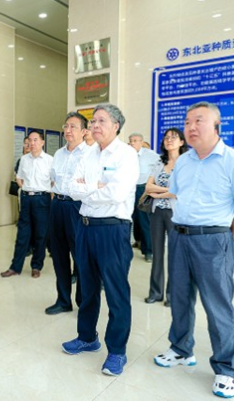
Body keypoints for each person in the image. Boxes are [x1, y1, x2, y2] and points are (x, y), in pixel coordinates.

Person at [153, 102, 234, 399]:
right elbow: (178, 196)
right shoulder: (184, 162)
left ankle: (226, 368)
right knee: (179, 298)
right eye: (187, 122)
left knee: (217, 305)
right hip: (180, 236)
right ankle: (181, 349)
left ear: (216, 127)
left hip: (213, 240)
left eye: (199, 121)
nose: (191, 127)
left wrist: (224, 238)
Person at [62, 103, 138, 377]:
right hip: (84, 227)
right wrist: (96, 187)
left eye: (101, 121)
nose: (94, 125)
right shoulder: (88, 153)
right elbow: (71, 188)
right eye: (93, 121)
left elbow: (117, 194)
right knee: (88, 287)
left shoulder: (126, 155)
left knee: (116, 292)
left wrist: (88, 189)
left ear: (116, 125)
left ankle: (117, 351)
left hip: (112, 229)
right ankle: (87, 337)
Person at [45, 112, 90, 315]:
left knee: (80, 256)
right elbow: (53, 180)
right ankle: (63, 300)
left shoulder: (90, 154)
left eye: (73, 126)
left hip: (77, 207)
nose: (68, 130)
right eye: (66, 126)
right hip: (57, 205)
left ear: (84, 131)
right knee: (59, 255)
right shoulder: (58, 154)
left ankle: (83, 301)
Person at [144, 128, 188, 306]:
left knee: (175, 254)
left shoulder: (186, 163)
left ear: (182, 142)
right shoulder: (159, 162)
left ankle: (172, 295)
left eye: (174, 137)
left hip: (175, 213)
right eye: (166, 137)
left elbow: (180, 192)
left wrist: (159, 193)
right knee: (157, 253)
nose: (169, 140)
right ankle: (155, 293)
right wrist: (167, 191)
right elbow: (148, 187)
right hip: (157, 212)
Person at [1, 131, 53, 279]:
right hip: (26, 198)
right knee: (22, 234)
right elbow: (19, 178)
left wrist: (43, 193)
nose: (32, 143)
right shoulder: (24, 159)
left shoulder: (50, 160)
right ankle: (15, 267)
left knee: (40, 235)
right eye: (30, 140)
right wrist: (26, 189)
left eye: (35, 140)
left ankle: (36, 266)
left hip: (42, 199)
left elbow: (54, 182)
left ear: (42, 142)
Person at [129, 133, 160, 261]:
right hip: (128, 189)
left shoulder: (150, 155)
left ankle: (149, 251)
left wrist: (152, 184)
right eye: (130, 141)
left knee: (144, 220)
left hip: (143, 189)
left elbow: (160, 167)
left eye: (135, 141)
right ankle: (138, 241)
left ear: (141, 142)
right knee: (132, 218)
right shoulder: (125, 154)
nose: (132, 143)